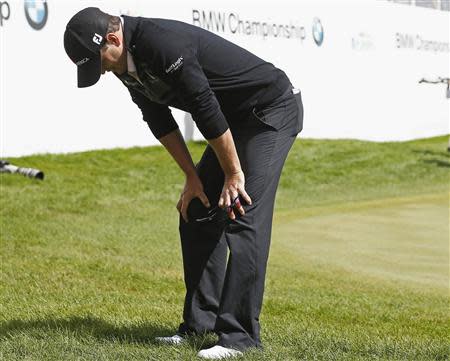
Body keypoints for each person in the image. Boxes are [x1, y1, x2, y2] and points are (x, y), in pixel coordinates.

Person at [64, 7, 303, 359]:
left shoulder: (162, 44)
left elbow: (204, 107)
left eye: (98, 60)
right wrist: (192, 178)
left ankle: (239, 339)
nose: (99, 69)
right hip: (232, 120)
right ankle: (199, 326)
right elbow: (157, 117)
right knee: (197, 209)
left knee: (241, 209)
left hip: (269, 110)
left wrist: (234, 175)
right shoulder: (121, 62)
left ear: (114, 39)